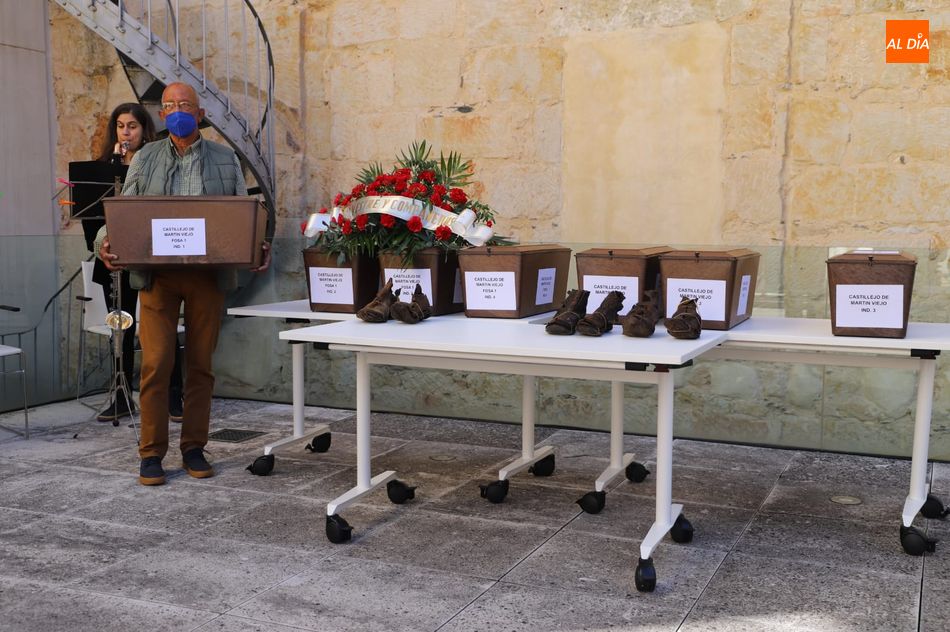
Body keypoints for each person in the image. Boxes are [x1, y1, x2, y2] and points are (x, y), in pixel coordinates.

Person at [96, 82, 273, 486]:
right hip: (158, 276)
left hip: (206, 276)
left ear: (200, 112)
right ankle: (151, 452)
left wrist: (259, 244)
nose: (177, 110)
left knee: (200, 366)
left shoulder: (226, 159)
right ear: (162, 114)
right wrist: (102, 242)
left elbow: (244, 215)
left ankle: (194, 446)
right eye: (169, 105)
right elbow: (123, 213)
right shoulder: (144, 158)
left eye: (184, 105)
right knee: (157, 364)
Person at [86, 103, 185, 424]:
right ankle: (120, 394)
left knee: (164, 326)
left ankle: (173, 393)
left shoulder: (159, 163)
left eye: (132, 126)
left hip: (153, 257)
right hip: (115, 260)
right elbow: (92, 217)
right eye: (120, 126)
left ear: (145, 131)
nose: (125, 132)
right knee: (121, 327)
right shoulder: (101, 170)